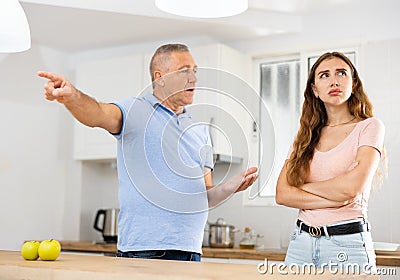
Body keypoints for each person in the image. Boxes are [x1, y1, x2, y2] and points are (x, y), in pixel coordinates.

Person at [38, 44, 258, 262]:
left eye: (195, 71)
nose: (194, 78)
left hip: (190, 251)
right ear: (160, 77)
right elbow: (96, 113)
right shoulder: (134, 111)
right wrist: (72, 96)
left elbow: (204, 196)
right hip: (145, 251)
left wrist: (230, 187)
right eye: (184, 71)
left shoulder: (199, 131)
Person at [275, 51, 385, 272]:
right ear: (315, 89)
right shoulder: (304, 136)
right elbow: (283, 194)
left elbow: (351, 189)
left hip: (347, 245)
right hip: (300, 243)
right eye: (324, 75)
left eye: (341, 73)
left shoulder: (369, 127)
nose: (334, 80)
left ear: (353, 83)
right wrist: (334, 197)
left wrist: (304, 189)